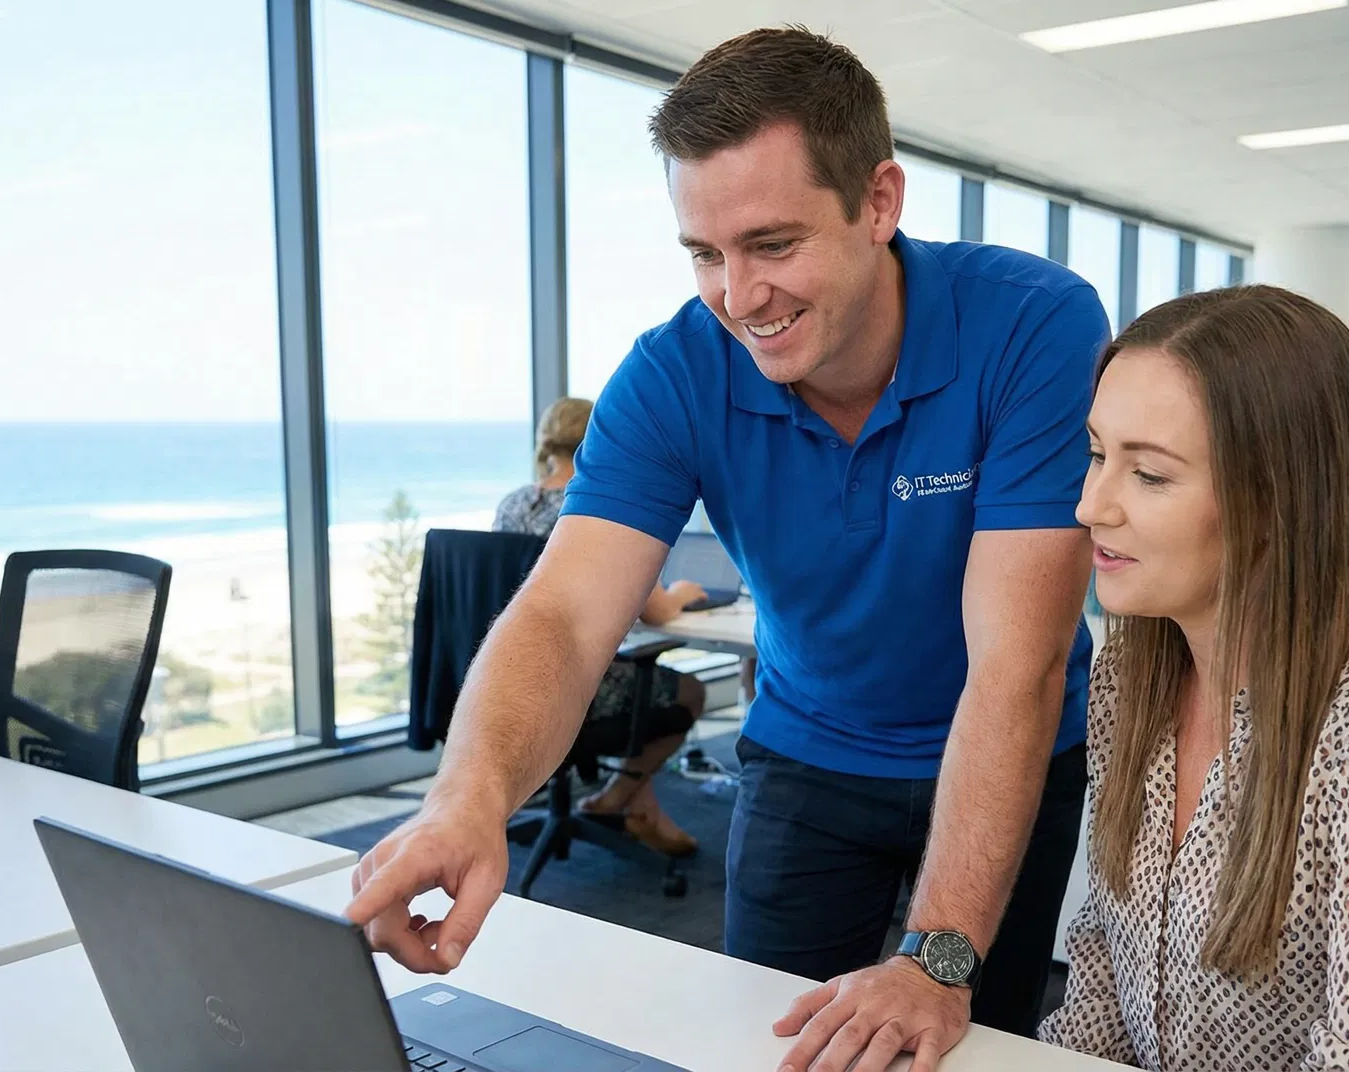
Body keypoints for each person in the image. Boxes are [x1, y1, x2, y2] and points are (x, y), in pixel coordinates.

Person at [344, 26, 1107, 1071]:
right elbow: (565, 616)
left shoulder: (1033, 325)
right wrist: (466, 798)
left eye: (773, 245)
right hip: (809, 753)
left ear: (878, 202)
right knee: (767, 1048)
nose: (738, 298)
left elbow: (1014, 665)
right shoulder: (673, 373)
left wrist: (935, 956)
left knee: (977, 1046)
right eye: (705, 252)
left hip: (1015, 744)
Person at [1040, 286, 1349, 1069]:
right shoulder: (1134, 667)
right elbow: (1104, 961)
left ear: (1277, 499)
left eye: (1152, 476)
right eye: (1099, 455)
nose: (1089, 505)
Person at [492, 396, 709, 857]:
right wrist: (682, 594)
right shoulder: (592, 507)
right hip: (576, 688)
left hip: (509, 678)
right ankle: (615, 799)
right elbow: (656, 612)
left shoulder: (511, 505)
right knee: (690, 692)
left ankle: (636, 806)